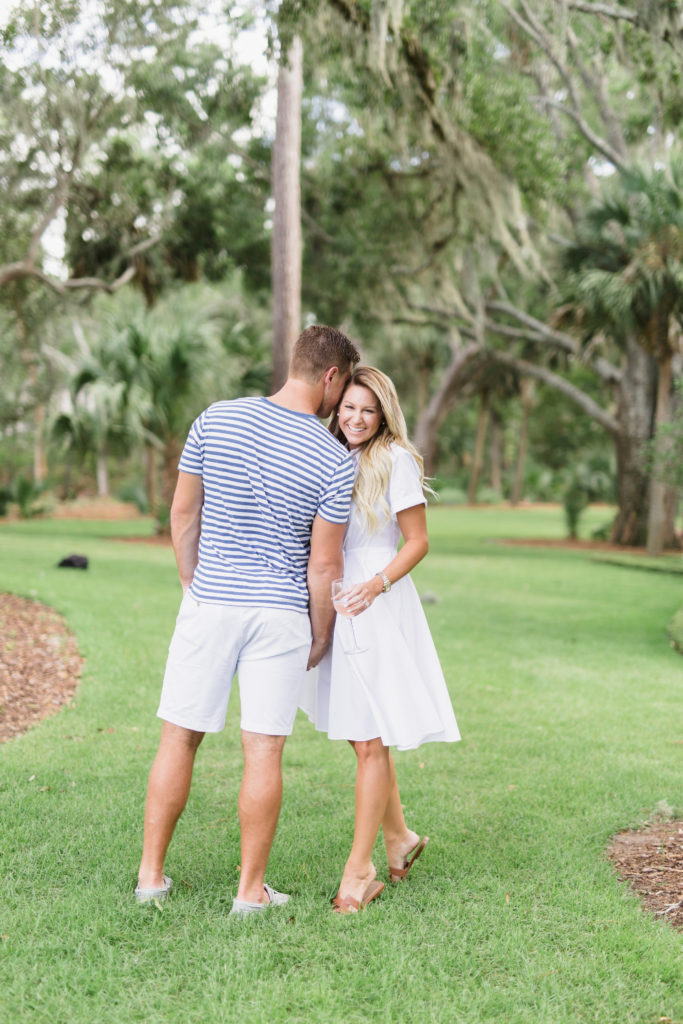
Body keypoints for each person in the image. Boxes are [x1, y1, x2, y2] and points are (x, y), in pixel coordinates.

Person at [135, 325, 360, 916]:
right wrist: (321, 632)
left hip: (211, 603)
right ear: (331, 376)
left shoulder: (216, 418)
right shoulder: (335, 460)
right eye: (341, 389)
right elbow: (324, 564)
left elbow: (183, 515)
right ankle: (248, 893)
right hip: (280, 614)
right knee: (263, 751)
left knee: (179, 736)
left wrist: (194, 583)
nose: (339, 404)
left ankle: (151, 878)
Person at [301, 366, 460, 914]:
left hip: (375, 599)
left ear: (384, 413)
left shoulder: (395, 461)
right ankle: (400, 838)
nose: (355, 418)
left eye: (367, 410)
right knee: (360, 734)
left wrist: (377, 584)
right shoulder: (330, 456)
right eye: (347, 407)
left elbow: (417, 542)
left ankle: (359, 870)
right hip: (335, 597)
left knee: (370, 740)